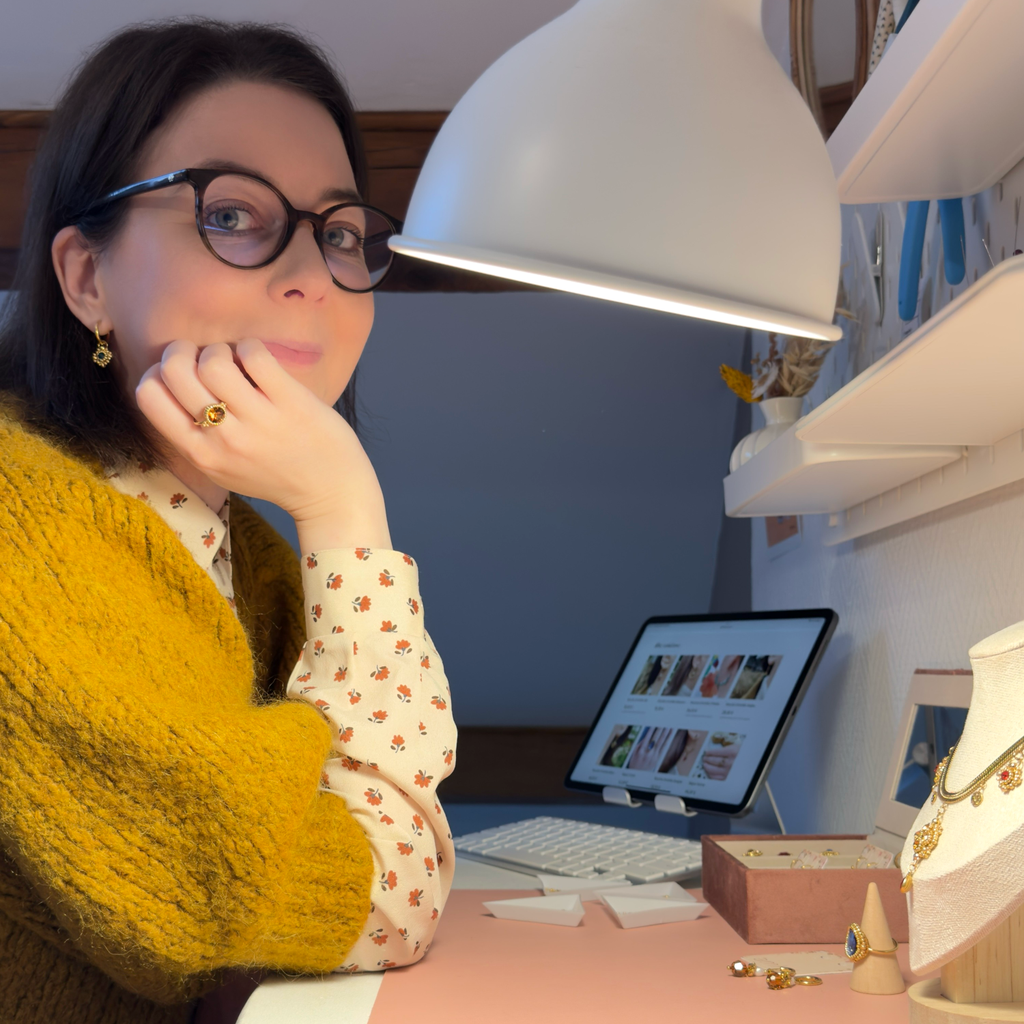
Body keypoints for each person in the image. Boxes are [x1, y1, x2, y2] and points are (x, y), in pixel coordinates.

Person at [0, 18, 456, 1024]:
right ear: (86, 278)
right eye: (234, 214)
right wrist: (345, 511)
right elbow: (381, 897)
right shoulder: (21, 525)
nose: (311, 274)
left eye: (340, 232)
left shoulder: (240, 553)